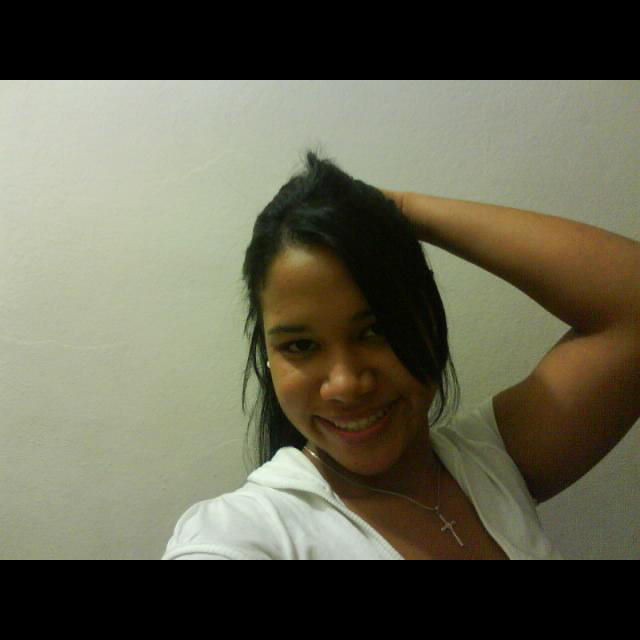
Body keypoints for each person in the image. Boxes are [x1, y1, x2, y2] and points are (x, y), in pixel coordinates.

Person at [163, 151, 639, 560]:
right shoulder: (244, 533)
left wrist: (398, 210)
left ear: (429, 318)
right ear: (268, 356)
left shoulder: (491, 464)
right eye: (301, 346)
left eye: (377, 330)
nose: (345, 383)